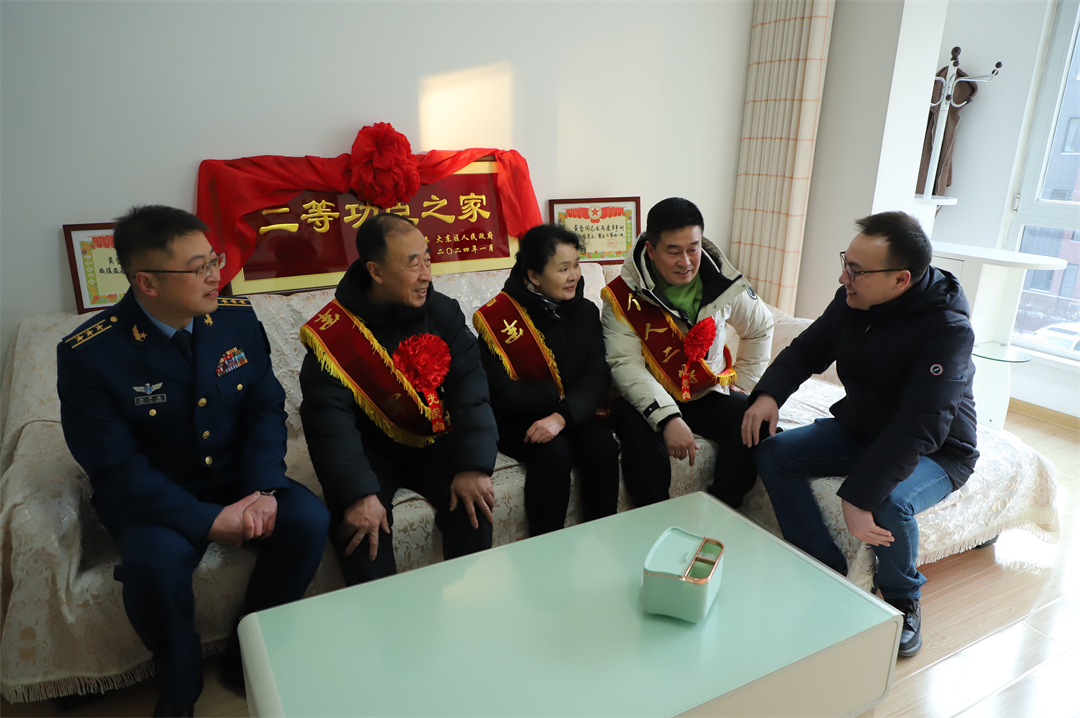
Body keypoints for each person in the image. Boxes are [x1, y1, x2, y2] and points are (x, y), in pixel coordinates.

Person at [56, 205, 330, 717]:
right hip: (156, 497)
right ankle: (180, 675)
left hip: (239, 478)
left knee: (308, 519)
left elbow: (265, 408)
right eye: (198, 267)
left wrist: (264, 487)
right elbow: (113, 464)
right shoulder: (91, 353)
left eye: (214, 260)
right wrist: (206, 519)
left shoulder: (235, 320)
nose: (214, 276)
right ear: (147, 282)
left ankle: (248, 654)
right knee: (153, 565)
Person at [742, 211, 979, 658]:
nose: (842, 278)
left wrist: (859, 494)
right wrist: (769, 394)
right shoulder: (852, 301)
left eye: (856, 270)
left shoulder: (947, 329)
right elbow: (807, 350)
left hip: (937, 450)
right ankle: (823, 566)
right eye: (845, 263)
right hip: (864, 428)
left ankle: (902, 599)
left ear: (900, 279)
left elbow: (922, 425)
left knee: (887, 501)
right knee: (774, 454)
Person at [299, 213, 497, 586]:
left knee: (473, 507)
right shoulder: (335, 334)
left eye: (428, 259)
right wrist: (358, 493)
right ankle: (383, 619)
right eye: (413, 264)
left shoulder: (443, 312)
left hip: (433, 439)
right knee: (360, 531)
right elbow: (328, 422)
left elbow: (471, 388)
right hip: (368, 451)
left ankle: (468, 606)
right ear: (376, 272)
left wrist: (473, 466)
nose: (427, 275)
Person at [602, 197, 774, 509]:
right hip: (645, 398)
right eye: (673, 252)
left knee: (755, 422)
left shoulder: (720, 280)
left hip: (704, 392)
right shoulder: (622, 296)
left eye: (693, 249)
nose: (686, 262)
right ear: (651, 250)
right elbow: (626, 364)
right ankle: (654, 522)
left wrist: (745, 385)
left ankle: (721, 511)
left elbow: (760, 326)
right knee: (640, 440)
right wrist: (668, 418)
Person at [474, 224, 620, 536]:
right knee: (554, 454)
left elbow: (596, 377)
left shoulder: (586, 312)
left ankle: (603, 540)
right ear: (534, 276)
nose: (574, 276)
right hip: (518, 419)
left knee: (602, 447)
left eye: (576, 265)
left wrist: (561, 415)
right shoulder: (499, 319)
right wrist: (556, 396)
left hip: (572, 412)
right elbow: (499, 392)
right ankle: (546, 548)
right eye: (563, 268)